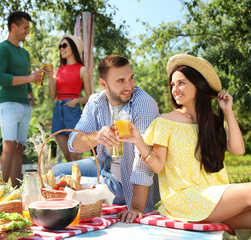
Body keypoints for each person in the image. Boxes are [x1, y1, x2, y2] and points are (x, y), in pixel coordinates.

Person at [121, 54, 250, 237]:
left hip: (213, 197)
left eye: (181, 83)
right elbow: (157, 165)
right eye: (173, 85)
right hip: (184, 198)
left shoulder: (210, 122)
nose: (175, 89)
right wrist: (138, 141)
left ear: (198, 84)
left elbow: (238, 150)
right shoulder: (165, 121)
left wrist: (227, 111)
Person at [52, 54, 160, 223]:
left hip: (125, 180)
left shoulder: (144, 103)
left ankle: (63, 213)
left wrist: (137, 208)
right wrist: (97, 137)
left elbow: (143, 160)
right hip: (105, 164)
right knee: (55, 173)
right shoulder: (96, 101)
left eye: (131, 78)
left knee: (64, 185)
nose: (129, 86)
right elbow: (74, 143)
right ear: (103, 84)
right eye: (120, 81)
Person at [0, 11, 44, 188]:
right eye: (25, 27)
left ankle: (15, 192)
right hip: (8, 103)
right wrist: (29, 78)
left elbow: (25, 76)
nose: (27, 32)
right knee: (9, 146)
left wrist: (30, 92)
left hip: (24, 105)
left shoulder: (24, 53)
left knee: (19, 148)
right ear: (14, 26)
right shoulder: (2, 49)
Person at [46, 34, 92, 162]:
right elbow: (52, 95)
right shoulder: (58, 70)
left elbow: (90, 97)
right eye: (60, 46)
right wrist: (51, 78)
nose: (61, 48)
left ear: (74, 48)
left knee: (76, 154)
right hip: (58, 110)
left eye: (64, 45)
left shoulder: (82, 70)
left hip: (73, 110)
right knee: (66, 155)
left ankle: (81, 181)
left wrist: (76, 101)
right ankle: (71, 182)